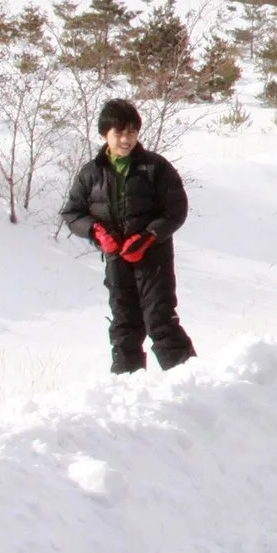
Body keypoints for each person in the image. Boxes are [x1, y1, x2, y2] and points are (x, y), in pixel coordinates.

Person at [59, 100, 197, 373]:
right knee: (124, 323)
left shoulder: (155, 167)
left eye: (131, 133)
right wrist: (96, 231)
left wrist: (148, 237)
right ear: (105, 134)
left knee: (160, 319)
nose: (125, 139)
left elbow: (176, 210)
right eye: (119, 133)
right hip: (116, 260)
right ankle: (126, 389)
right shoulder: (91, 173)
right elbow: (72, 213)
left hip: (153, 258)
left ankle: (189, 379)